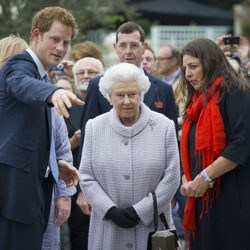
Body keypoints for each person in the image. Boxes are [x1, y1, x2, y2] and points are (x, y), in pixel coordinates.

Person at [0, 6, 83, 250]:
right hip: (13, 197)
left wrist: (55, 166)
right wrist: (54, 91)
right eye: (54, 39)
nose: (60, 48)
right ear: (36, 35)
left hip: (29, 195)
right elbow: (21, 83)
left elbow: (23, 137)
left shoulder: (40, 74)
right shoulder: (19, 66)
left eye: (66, 42)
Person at [79, 62, 180, 250]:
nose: (127, 101)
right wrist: (109, 210)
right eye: (120, 95)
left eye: (132, 94)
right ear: (109, 97)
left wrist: (141, 211)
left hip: (152, 227)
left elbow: (172, 176)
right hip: (108, 227)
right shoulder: (95, 126)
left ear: (141, 94)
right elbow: (86, 176)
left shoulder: (164, 126)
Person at [180, 38, 250, 250]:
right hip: (202, 198)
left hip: (231, 196)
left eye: (193, 66)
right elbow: (189, 149)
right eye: (185, 68)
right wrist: (187, 178)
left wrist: (205, 176)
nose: (188, 74)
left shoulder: (236, 91)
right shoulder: (196, 101)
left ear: (210, 63)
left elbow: (242, 143)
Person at [79, 22, 178, 151]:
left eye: (134, 45)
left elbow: (172, 141)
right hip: (109, 161)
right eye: (123, 45)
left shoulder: (163, 89)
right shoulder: (97, 85)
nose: (128, 51)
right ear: (115, 47)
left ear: (144, 47)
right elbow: (87, 136)